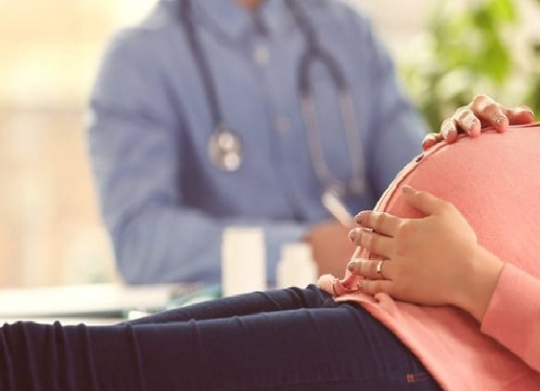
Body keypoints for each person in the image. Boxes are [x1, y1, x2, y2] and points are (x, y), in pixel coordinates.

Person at [3, 1, 540, 391]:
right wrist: (490, 141)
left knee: (49, 375)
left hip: (434, 366)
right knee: (44, 370)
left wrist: (475, 276)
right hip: (372, 308)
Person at [87, 0, 429, 284]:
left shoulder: (350, 33)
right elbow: (139, 241)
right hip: (237, 327)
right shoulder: (137, 61)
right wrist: (301, 249)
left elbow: (424, 190)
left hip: (375, 309)